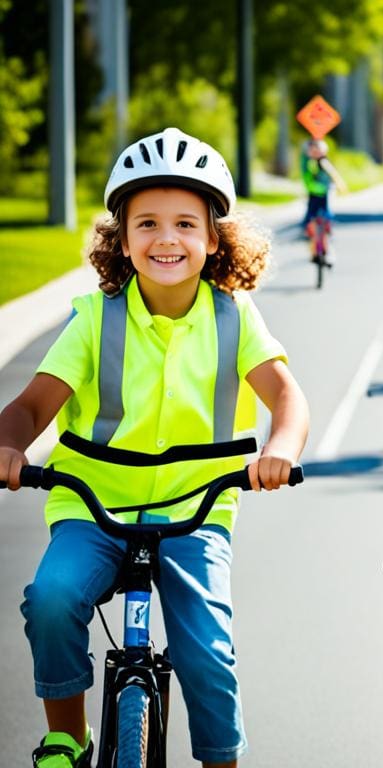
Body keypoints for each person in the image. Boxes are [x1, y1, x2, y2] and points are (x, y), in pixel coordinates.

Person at [0, 127, 310, 768]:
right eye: (147, 223)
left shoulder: (235, 317)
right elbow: (33, 406)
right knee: (53, 598)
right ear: (121, 237)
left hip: (196, 511)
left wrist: (279, 447)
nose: (166, 239)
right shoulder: (93, 317)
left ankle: (220, 759)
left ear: (213, 238)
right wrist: (9, 444)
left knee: (207, 651)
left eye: (184, 224)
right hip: (93, 507)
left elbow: (288, 399)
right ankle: (67, 735)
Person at [300, 137, 347, 241]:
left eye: (317, 151)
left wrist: (339, 184)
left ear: (323, 152)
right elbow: (306, 176)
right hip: (313, 191)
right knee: (311, 211)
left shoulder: (323, 162)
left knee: (325, 210)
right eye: (312, 151)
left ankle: (327, 227)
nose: (314, 153)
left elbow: (333, 173)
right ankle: (307, 228)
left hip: (324, 191)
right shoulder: (308, 163)